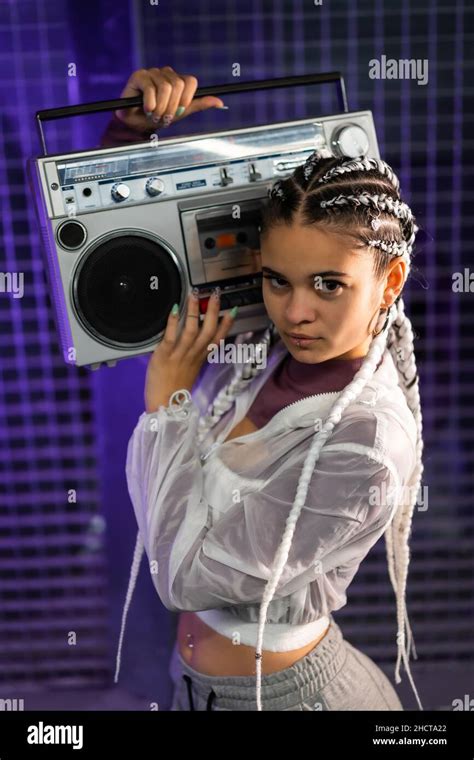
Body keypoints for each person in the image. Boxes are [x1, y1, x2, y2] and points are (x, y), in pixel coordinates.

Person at [106, 67, 425, 711]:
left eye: (329, 285)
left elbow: (184, 577)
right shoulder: (265, 351)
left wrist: (168, 405)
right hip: (197, 686)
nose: (295, 311)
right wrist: (128, 136)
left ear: (389, 282)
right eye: (277, 280)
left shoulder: (367, 440)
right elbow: (111, 259)